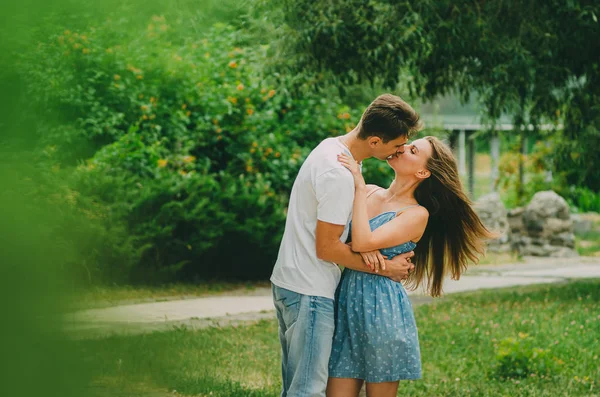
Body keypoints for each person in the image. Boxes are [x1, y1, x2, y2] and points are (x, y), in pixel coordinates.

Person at [270, 94, 423, 397]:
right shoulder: (338, 173)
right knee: (307, 390)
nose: (400, 151)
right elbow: (327, 248)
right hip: (309, 289)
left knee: (295, 386)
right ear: (376, 141)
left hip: (292, 283)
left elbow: (344, 237)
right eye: (396, 146)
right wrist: (385, 268)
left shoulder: (331, 150)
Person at [327, 136, 495, 397]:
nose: (402, 148)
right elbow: (335, 244)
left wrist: (359, 196)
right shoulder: (370, 191)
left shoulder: (416, 214)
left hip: (382, 311)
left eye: (413, 150)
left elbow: (359, 240)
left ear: (422, 171)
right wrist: (366, 247)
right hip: (346, 306)